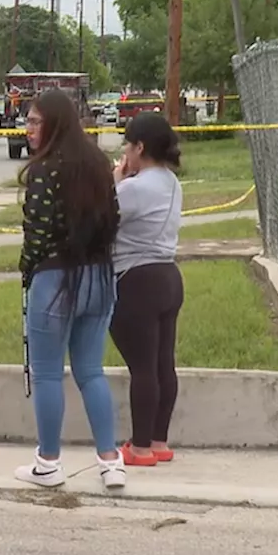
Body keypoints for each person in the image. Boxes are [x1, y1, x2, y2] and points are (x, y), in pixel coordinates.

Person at [15, 89, 127, 489]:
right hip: (99, 275)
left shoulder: (45, 170)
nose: (27, 129)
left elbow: (38, 232)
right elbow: (115, 217)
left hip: (55, 279)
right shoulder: (97, 163)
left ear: (54, 123)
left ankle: (48, 462)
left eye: (34, 121)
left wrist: (27, 268)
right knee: (91, 371)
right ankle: (111, 461)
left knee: (46, 374)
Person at [109, 112, 185, 467]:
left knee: (141, 367)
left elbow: (101, 217)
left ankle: (138, 448)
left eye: (127, 143)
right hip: (168, 276)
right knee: (162, 364)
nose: (125, 150)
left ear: (139, 147)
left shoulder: (134, 188)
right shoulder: (171, 182)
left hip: (137, 279)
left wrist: (115, 181)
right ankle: (158, 440)